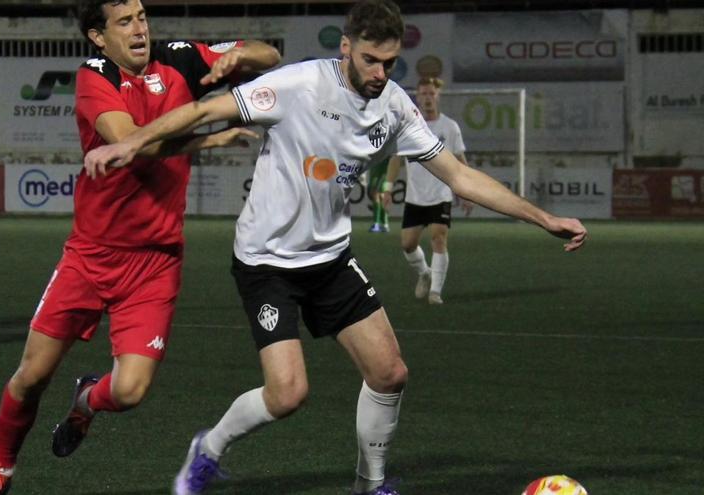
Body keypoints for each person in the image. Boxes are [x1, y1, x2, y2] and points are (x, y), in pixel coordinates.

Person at [86, 1, 587, 494]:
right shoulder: (298, 86)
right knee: (287, 395)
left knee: (390, 373)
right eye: (370, 59)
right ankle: (209, 449)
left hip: (330, 260)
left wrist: (543, 219)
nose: (379, 72)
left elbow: (458, 175)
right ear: (346, 47)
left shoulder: (395, 107)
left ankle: (369, 485)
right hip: (267, 263)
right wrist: (133, 142)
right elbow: (203, 108)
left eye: (390, 63)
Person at [0, 1, 280, 494]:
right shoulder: (95, 75)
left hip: (156, 261)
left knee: (130, 391)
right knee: (30, 377)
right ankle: (0, 469)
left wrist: (237, 58)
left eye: (141, 17)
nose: (140, 29)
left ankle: (86, 402)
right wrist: (205, 141)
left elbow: (269, 56)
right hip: (91, 257)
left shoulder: (180, 58)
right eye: (125, 22)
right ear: (98, 37)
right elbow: (130, 144)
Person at [382, 77, 467, 305]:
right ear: (417, 96)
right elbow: (395, 160)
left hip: (441, 195)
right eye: (424, 94)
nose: (428, 98)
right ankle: (425, 273)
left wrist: (467, 191)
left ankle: (435, 292)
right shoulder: (409, 125)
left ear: (438, 95)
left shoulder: (450, 127)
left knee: (438, 238)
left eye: (432, 93)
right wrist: (387, 188)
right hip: (415, 197)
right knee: (407, 244)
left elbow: (460, 161)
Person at [366, 157, 390, 232]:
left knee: (377, 196)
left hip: (379, 174)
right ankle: (384, 225)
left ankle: (377, 224)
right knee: (380, 197)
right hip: (378, 173)